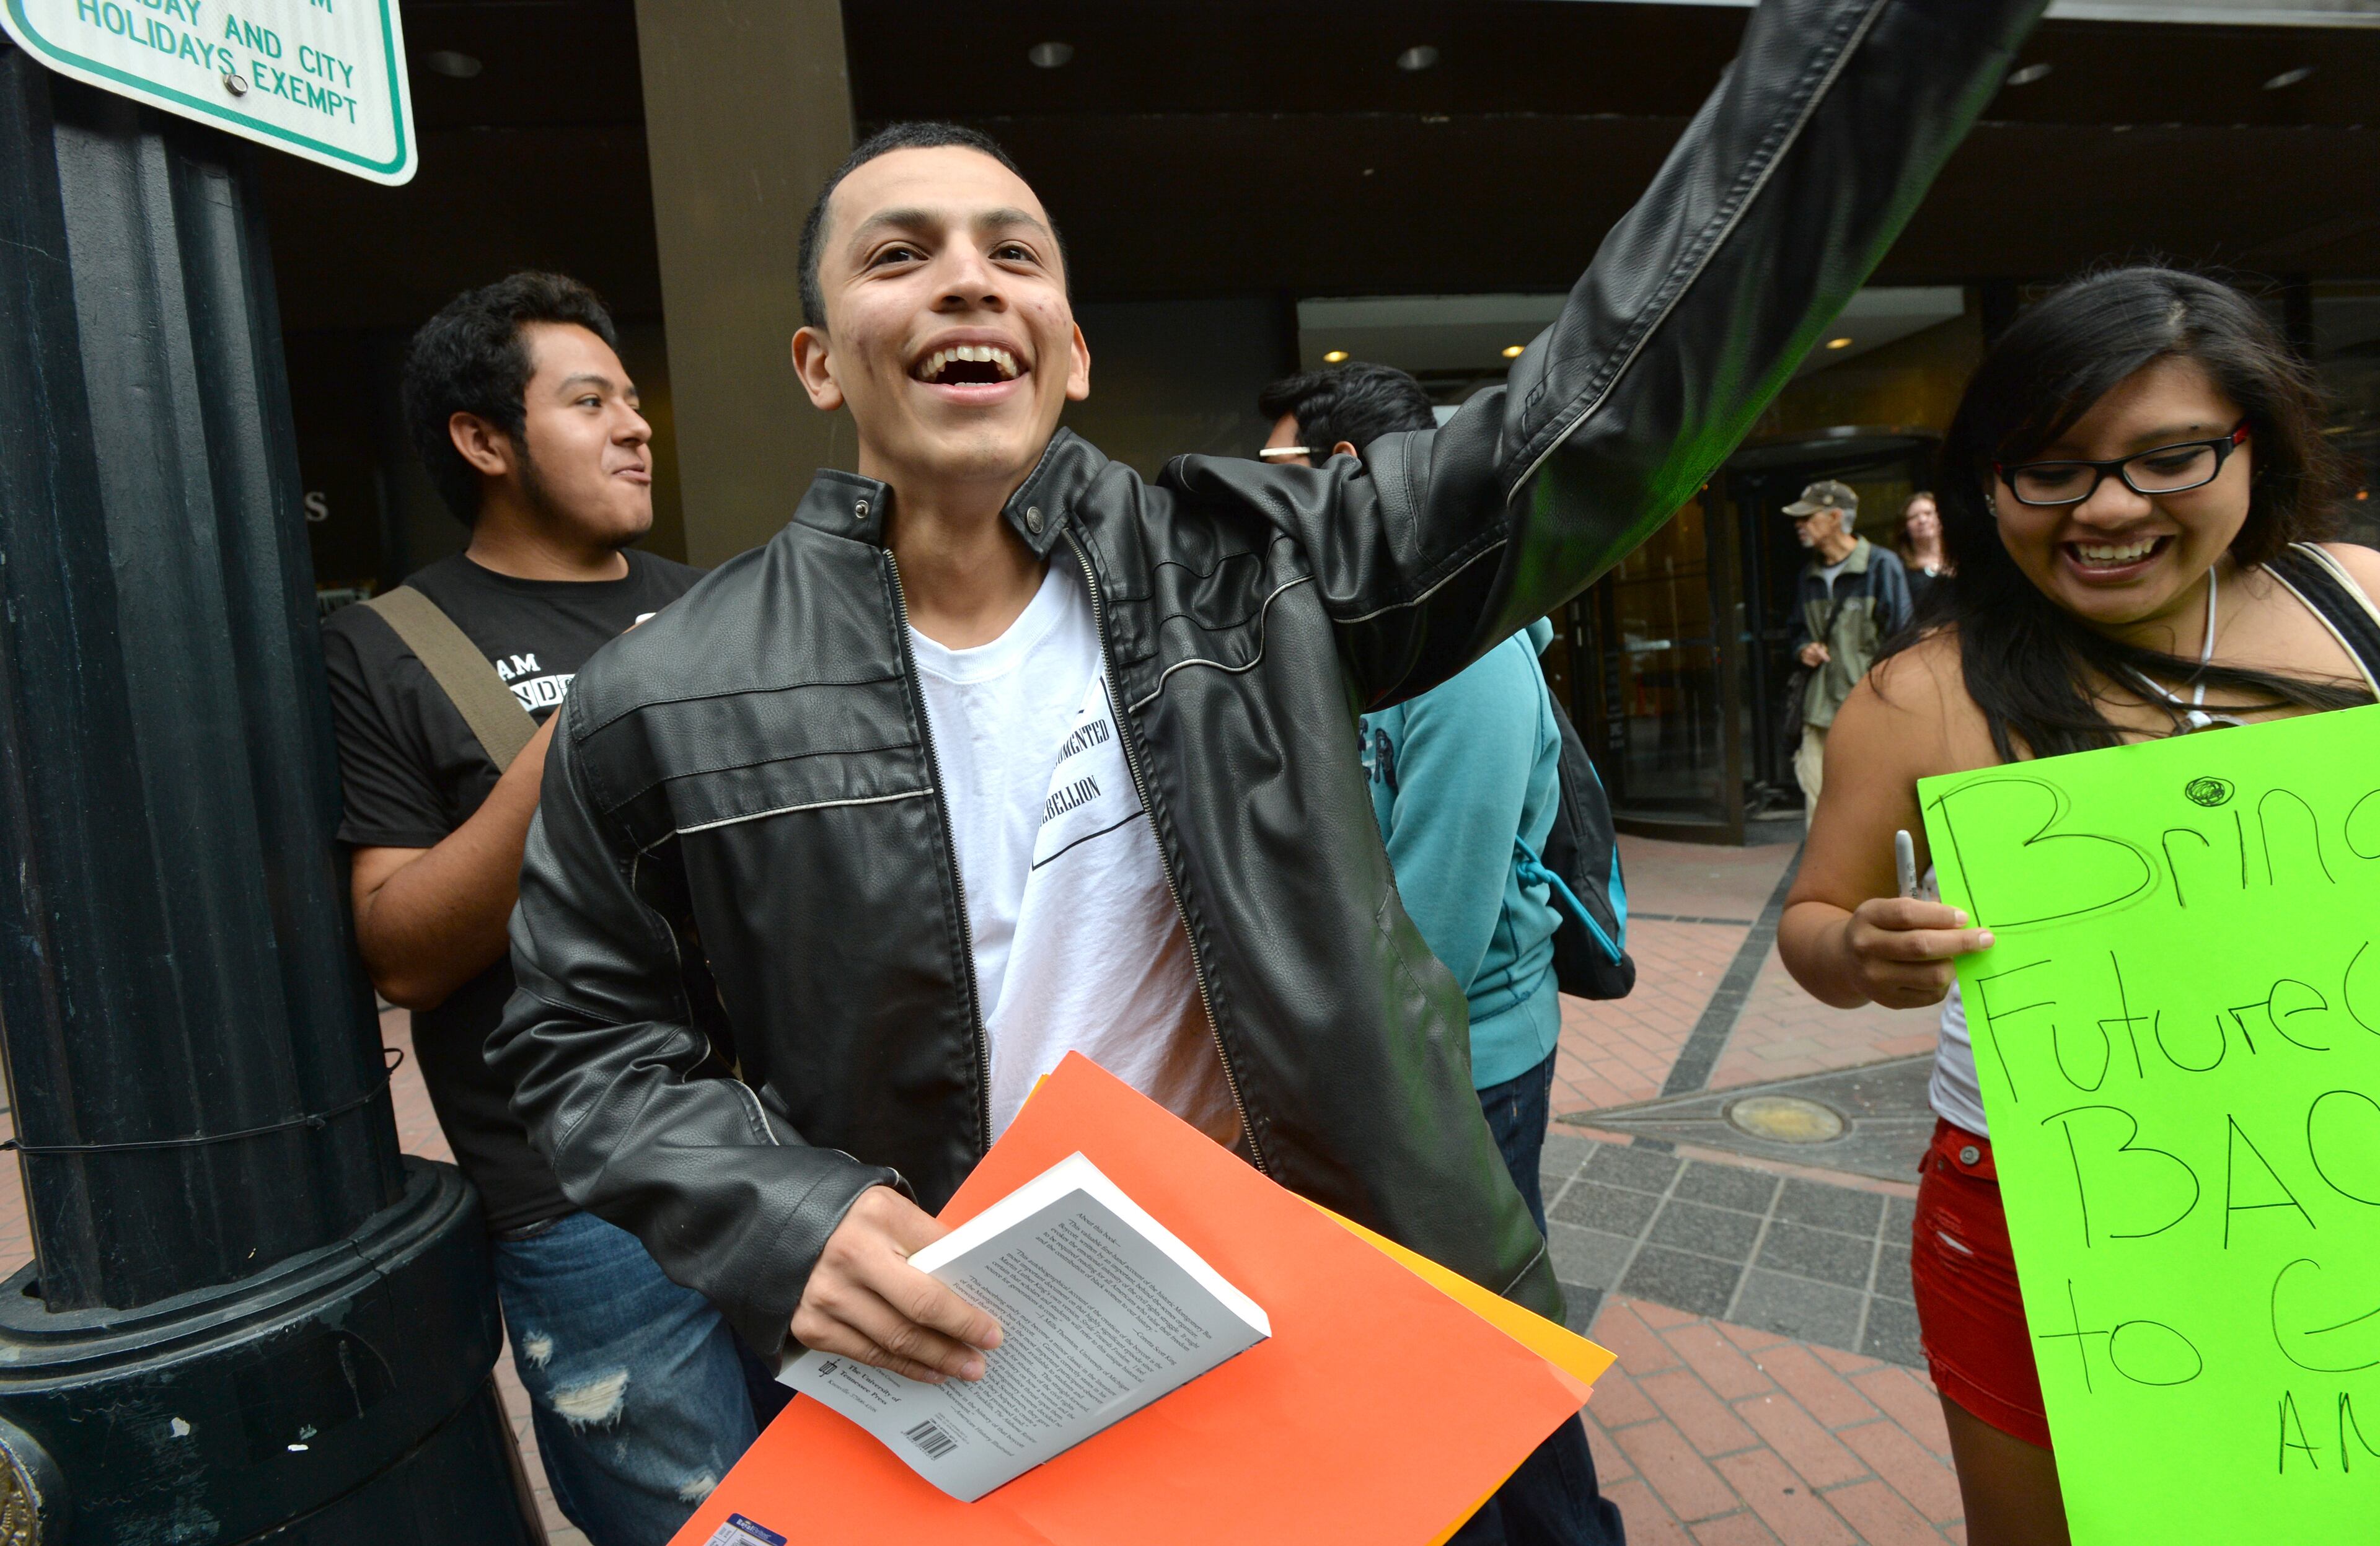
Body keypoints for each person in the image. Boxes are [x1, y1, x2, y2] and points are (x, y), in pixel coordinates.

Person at [488, 6, 2042, 1542]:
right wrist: (782, 1219)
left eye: (1013, 253)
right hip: (976, 1366)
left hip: (1355, 1310)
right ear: (820, 362)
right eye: (899, 255)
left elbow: (1608, 402)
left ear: (1072, 349)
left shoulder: (1263, 572)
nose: (967, 275)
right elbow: (580, 1035)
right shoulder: (670, 688)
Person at [1773, 266, 2380, 1546]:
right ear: (1992, 482)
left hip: (2343, 1168)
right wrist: (1866, 949)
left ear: (2249, 449)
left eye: (2169, 459)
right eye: (2052, 466)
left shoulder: (2360, 608)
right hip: (2039, 1203)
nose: (2108, 508)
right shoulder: (1927, 692)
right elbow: (1814, 921)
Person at [320, 274, 744, 1546]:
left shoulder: (719, 603)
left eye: (631, 398)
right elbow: (399, 948)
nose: (636, 425)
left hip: (796, 1150)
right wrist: (579, 739)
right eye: (589, 400)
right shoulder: (390, 646)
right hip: (581, 1200)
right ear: (483, 438)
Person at [1263, 362, 1584, 1540]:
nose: (1265, 499)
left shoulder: (1467, 656)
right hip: (1391, 1045)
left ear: (1351, 478)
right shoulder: (1354, 633)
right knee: (1455, 1351)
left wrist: (1332, 1086)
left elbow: (1434, 918)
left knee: (1488, 1357)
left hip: (1462, 1059)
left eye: (1283, 472)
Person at [1784, 479, 1912, 819]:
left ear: (1835, 517)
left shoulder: (1882, 566)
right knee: (1818, 808)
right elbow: (1795, 630)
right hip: (1817, 713)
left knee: (1873, 808)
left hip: (1866, 712)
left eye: (1808, 518)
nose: (1799, 526)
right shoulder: (1807, 575)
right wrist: (1803, 650)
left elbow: (1903, 642)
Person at [1895, 489, 1952, 610]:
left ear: (1940, 518)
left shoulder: (1960, 558)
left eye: (1928, 513)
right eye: (1914, 517)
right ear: (1905, 526)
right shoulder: (1899, 569)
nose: (1922, 520)